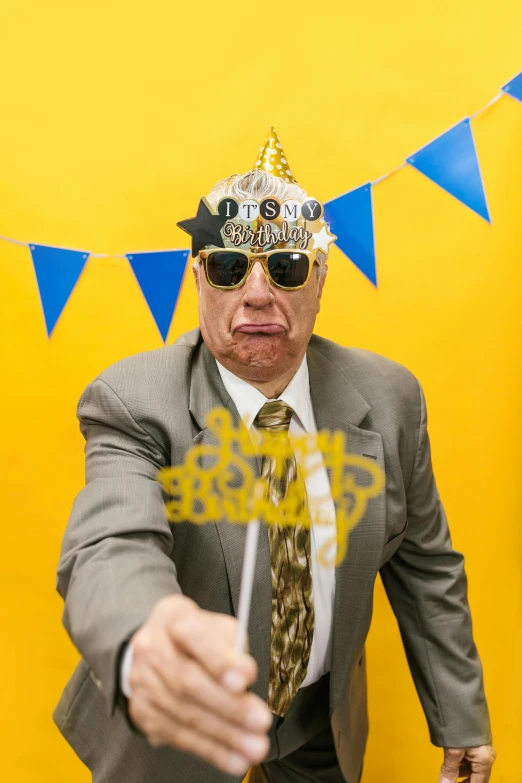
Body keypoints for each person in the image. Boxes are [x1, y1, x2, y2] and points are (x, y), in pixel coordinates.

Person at [54, 129, 496, 783]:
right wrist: (148, 630)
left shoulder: (390, 396)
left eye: (286, 266)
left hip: (317, 720)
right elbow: (109, 543)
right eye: (230, 268)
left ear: (320, 276)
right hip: (174, 728)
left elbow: (426, 566)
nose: (257, 294)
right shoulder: (135, 397)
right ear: (198, 276)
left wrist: (461, 715)